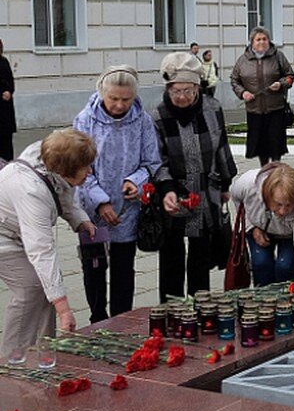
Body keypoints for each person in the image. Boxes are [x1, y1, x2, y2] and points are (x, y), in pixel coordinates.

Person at [0, 129, 97, 364]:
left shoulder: (48, 156)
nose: (90, 171)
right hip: (4, 235)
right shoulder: (30, 191)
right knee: (31, 287)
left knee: (49, 287)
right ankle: (11, 361)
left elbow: (60, 188)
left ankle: (46, 353)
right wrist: (64, 309)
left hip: (20, 230)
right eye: (85, 167)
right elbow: (42, 251)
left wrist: (78, 218)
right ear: (65, 168)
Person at [73, 66, 161, 323]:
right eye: (113, 98)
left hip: (127, 210)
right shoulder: (85, 120)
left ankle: (122, 320)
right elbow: (78, 167)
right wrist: (100, 202)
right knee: (94, 266)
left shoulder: (142, 120)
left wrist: (136, 181)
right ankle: (97, 319)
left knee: (124, 268)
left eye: (126, 99)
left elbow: (151, 162)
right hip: (92, 209)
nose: (120, 105)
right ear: (102, 93)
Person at [153, 52, 237, 301]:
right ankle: (171, 308)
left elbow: (222, 146)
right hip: (173, 194)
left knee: (201, 254)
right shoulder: (158, 116)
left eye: (188, 91)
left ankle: (201, 307)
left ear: (197, 88)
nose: (181, 97)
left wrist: (225, 183)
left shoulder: (212, 108)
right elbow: (157, 160)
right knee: (171, 256)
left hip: (204, 189)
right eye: (176, 91)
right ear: (168, 88)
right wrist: (166, 188)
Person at [230, 162, 294, 286]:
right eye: (278, 204)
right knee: (261, 263)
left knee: (285, 266)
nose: (283, 211)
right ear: (268, 195)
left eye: (289, 205)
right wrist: (251, 225)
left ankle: (288, 298)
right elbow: (236, 198)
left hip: (290, 233)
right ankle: (262, 299)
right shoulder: (247, 184)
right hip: (259, 225)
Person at [231, 26, 294, 165]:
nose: (261, 42)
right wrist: (243, 93)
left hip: (275, 109)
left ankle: (276, 168)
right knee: (260, 145)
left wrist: (281, 83)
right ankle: (264, 169)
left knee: (275, 143)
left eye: (264, 39)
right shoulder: (243, 60)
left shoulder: (278, 56)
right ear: (252, 42)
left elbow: (290, 76)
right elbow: (234, 80)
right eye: (258, 39)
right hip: (255, 110)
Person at [0, 39, 16, 161]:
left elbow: (10, 81)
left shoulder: (4, 61)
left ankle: (8, 164)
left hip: (5, 109)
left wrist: (9, 91)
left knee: (6, 140)